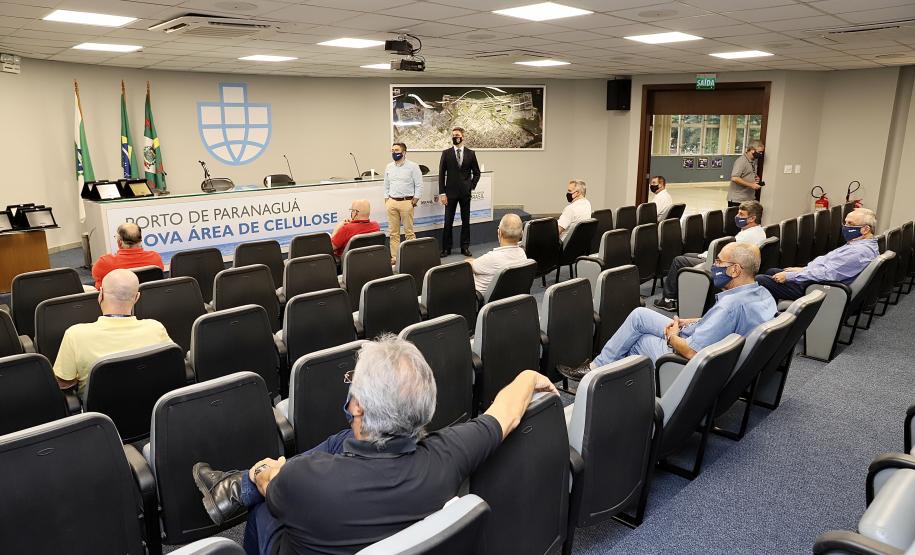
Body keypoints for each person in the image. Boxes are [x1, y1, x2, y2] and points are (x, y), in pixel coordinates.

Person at [191, 336, 557, 555]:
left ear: (357, 406)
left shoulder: (302, 480)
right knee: (342, 440)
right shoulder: (452, 453)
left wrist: (257, 472)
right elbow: (503, 415)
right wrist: (527, 376)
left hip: (296, 499)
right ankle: (230, 488)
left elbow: (269, 478)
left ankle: (232, 489)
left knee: (262, 510)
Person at [561, 242, 775, 380]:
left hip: (690, 361)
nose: (714, 265)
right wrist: (694, 321)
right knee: (639, 315)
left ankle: (598, 375)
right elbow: (727, 322)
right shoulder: (762, 294)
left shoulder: (730, 306)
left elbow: (692, 352)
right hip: (713, 346)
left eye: (719, 261)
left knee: (638, 340)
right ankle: (601, 369)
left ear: (735, 269)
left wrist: (672, 336)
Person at [53, 269, 172, 401]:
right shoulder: (155, 328)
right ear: (137, 297)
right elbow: (171, 367)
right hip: (153, 410)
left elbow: (63, 383)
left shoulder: (75, 334)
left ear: (101, 294)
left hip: (100, 418)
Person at [655, 200, 767, 312]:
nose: (737, 216)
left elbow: (724, 255)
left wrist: (706, 256)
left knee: (679, 260)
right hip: (736, 263)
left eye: (741, 214)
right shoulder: (759, 231)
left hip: (723, 265)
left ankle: (668, 300)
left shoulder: (746, 236)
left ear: (752, 218)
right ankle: (678, 295)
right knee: (687, 255)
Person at [756, 208, 878, 301]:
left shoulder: (858, 252)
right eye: (845, 222)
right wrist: (804, 269)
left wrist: (791, 276)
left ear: (866, 229)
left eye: (850, 224)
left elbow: (827, 274)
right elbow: (830, 266)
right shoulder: (860, 244)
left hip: (819, 288)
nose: (845, 227)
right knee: (772, 271)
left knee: (760, 279)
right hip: (818, 279)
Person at [438, 127, 481, 257]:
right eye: (453, 135)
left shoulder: (471, 153)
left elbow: (477, 173)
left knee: (465, 221)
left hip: (465, 194)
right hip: (449, 194)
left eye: (457, 135)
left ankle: (465, 247)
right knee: (448, 222)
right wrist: (442, 193)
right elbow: (441, 174)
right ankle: (446, 249)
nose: (455, 137)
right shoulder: (446, 153)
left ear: (463, 137)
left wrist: (471, 186)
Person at [91, 222, 164, 289]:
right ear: (140, 240)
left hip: (119, 301)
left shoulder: (105, 262)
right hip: (150, 299)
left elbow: (97, 280)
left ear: (119, 242)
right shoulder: (155, 257)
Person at [384, 143, 423, 265]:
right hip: (392, 202)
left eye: (397, 150)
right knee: (393, 233)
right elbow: (386, 185)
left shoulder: (413, 166)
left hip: (407, 202)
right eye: (392, 150)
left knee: (409, 232)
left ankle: (411, 256)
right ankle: (395, 257)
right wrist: (387, 200)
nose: (394, 152)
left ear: (404, 152)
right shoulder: (389, 167)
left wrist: (415, 200)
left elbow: (419, 185)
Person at [470, 213, 527, 294]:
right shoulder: (522, 254)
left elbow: (468, 266)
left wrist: (470, 260)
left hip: (480, 302)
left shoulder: (492, 258)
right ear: (521, 234)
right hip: (508, 300)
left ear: (499, 233)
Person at [727, 141, 764, 207]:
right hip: (738, 200)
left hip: (749, 198)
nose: (761, 154)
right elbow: (734, 178)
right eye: (759, 152)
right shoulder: (741, 161)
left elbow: (747, 173)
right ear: (752, 150)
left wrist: (755, 177)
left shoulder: (754, 161)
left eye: (762, 152)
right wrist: (751, 185)